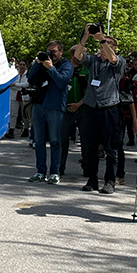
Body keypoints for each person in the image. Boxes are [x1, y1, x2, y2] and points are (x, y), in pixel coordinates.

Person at [74, 26, 126, 194]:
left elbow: (112, 59)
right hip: (91, 107)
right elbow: (77, 56)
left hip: (109, 108)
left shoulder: (119, 62)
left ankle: (110, 180)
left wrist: (103, 39)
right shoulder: (93, 61)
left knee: (110, 147)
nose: (105, 46)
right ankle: (92, 178)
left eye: (110, 44)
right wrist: (86, 37)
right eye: (104, 43)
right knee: (90, 146)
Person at [26, 41, 73, 184]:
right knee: (39, 140)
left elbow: (62, 81)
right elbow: (30, 77)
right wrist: (37, 62)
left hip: (55, 106)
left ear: (61, 52)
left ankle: (55, 172)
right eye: (48, 51)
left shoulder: (66, 65)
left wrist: (51, 68)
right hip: (38, 104)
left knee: (55, 141)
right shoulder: (42, 63)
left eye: (53, 51)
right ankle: (40, 171)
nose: (50, 54)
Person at [60, 45, 87, 179]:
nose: (84, 57)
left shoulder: (87, 70)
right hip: (66, 110)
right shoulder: (65, 69)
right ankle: (60, 167)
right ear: (73, 55)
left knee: (86, 140)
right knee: (63, 139)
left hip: (83, 109)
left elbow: (91, 91)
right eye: (81, 54)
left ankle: (87, 168)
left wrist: (79, 104)